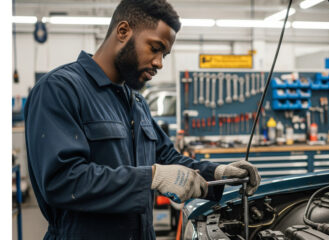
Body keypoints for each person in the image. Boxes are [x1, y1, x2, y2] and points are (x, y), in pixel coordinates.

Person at [24, 0, 261, 239]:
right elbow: (63, 181)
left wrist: (219, 173)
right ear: (123, 31)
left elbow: (167, 157)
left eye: (164, 54)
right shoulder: (60, 89)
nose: (159, 62)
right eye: (155, 48)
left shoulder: (136, 102)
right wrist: (153, 177)